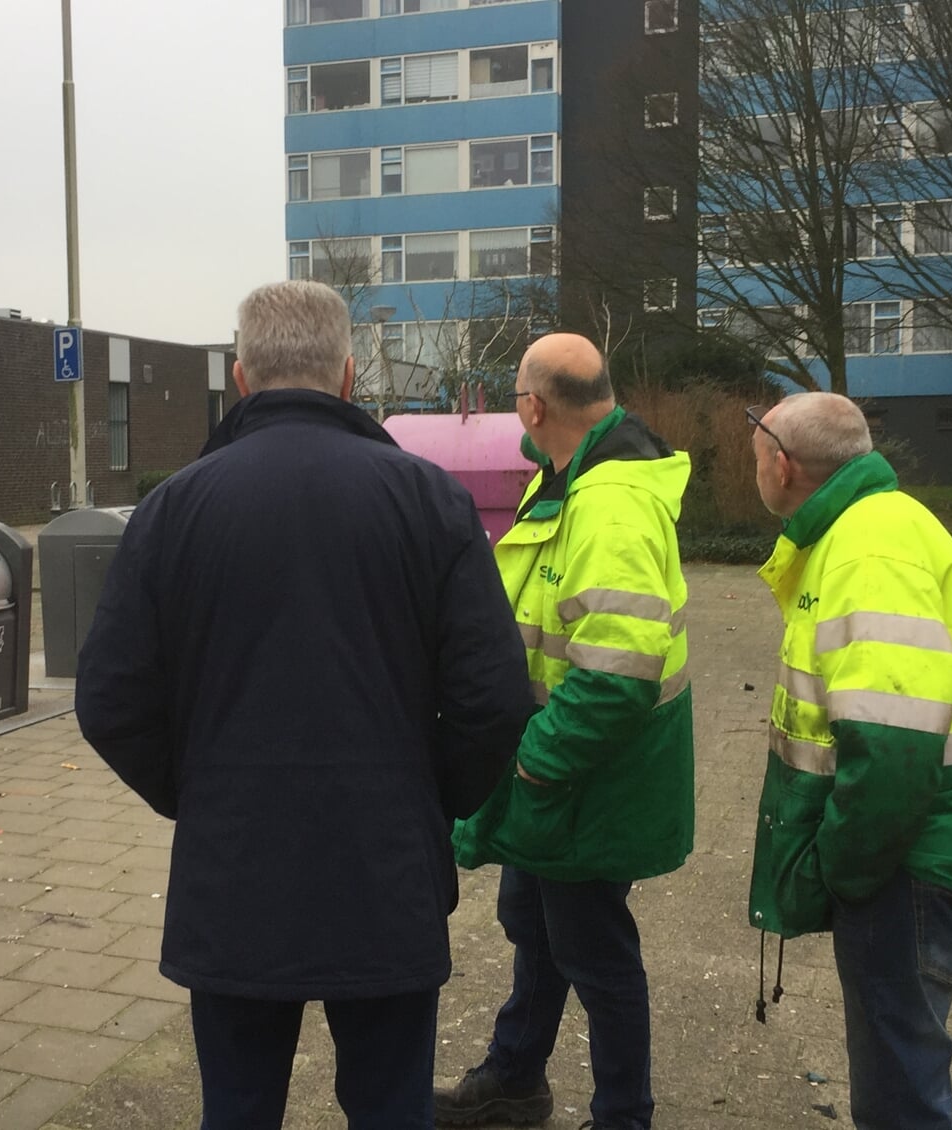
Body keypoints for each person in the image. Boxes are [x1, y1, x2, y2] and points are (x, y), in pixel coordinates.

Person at [75, 280, 534, 1130]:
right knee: (392, 1109)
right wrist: (431, 798)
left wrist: (196, 791)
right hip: (385, 870)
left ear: (242, 377)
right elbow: (497, 697)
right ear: (350, 375)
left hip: (235, 871)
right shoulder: (431, 502)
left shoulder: (174, 508)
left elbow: (108, 700)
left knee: (240, 1109)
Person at [436, 334, 695, 1130]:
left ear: (534, 405)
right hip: (569, 774)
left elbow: (616, 677)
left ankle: (625, 1116)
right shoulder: (570, 481)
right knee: (539, 931)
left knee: (595, 952)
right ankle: (516, 1077)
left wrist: (534, 768)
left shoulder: (609, 503)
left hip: (586, 778)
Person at [744, 393, 952, 1130]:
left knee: (899, 1099)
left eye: (756, 454)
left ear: (783, 465)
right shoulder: (871, 530)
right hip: (912, 859)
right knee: (900, 1078)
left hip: (903, 870)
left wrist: (841, 870)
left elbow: (893, 748)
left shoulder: (868, 550)